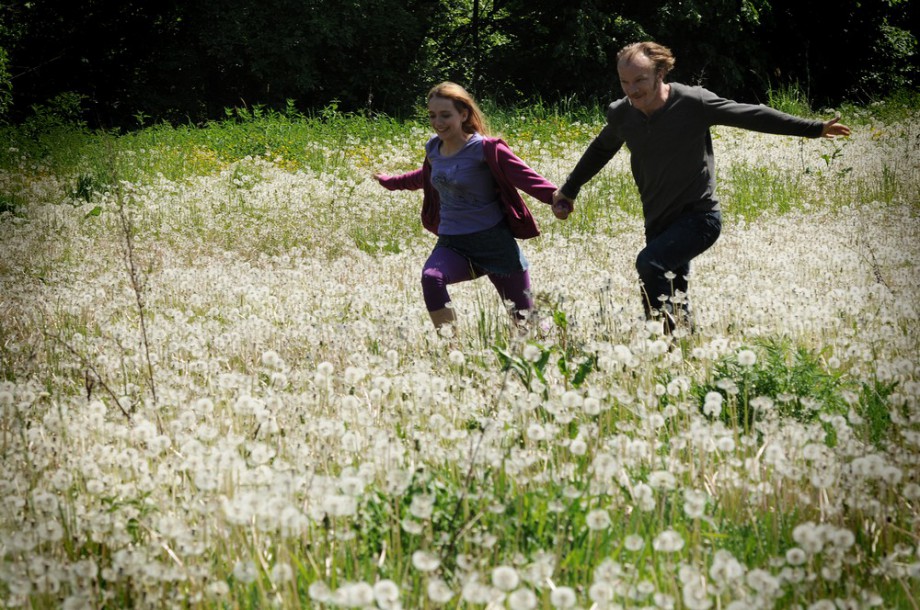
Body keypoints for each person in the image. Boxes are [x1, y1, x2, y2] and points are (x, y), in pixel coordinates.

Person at [553, 41, 851, 333]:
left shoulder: (693, 103)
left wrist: (812, 128)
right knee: (673, 290)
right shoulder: (622, 114)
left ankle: (657, 340)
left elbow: (749, 114)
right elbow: (600, 150)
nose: (632, 90)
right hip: (657, 220)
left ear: (660, 74)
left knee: (650, 263)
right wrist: (569, 188)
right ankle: (679, 345)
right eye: (625, 82)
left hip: (700, 216)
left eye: (640, 80)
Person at [374, 82, 571, 330]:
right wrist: (390, 182)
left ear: (464, 114)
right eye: (432, 115)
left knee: (525, 323)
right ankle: (451, 351)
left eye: (445, 115)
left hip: (494, 244)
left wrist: (557, 199)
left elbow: (525, 177)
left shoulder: (486, 149)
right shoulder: (433, 148)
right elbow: (425, 177)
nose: (438, 122)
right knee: (431, 279)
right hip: (453, 242)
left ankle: (559, 343)